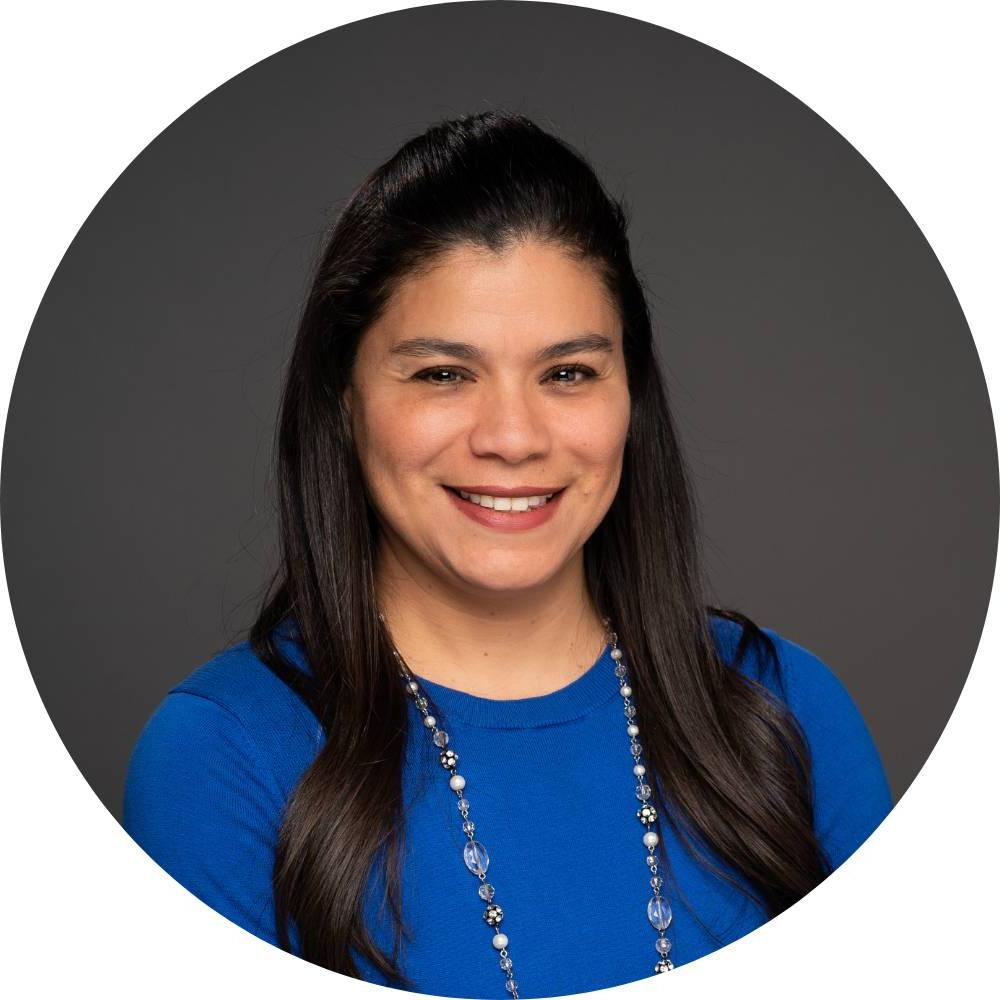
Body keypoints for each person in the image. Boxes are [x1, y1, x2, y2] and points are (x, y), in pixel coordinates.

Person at [122, 109, 893, 999]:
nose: (514, 438)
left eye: (567, 373)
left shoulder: (786, 711)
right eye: (443, 374)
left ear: (631, 396)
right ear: (344, 400)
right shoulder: (221, 757)